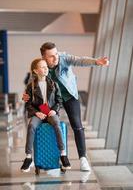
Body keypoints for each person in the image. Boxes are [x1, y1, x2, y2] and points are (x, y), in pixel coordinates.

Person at [23, 42, 109, 171]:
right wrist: (26, 95)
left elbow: (80, 60)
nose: (56, 57)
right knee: (47, 124)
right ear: (44, 57)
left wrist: (97, 62)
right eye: (51, 56)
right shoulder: (40, 66)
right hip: (51, 102)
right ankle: (45, 158)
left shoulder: (63, 58)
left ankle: (83, 158)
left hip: (69, 97)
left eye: (56, 53)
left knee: (77, 126)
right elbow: (31, 84)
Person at [21, 58, 71, 172]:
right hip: (38, 113)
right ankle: (28, 157)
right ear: (35, 70)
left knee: (57, 123)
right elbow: (28, 104)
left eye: (46, 67)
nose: (46, 69)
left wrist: (55, 110)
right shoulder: (31, 86)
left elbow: (59, 101)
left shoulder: (54, 84)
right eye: (42, 67)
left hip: (50, 112)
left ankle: (63, 154)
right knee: (31, 126)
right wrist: (36, 112)